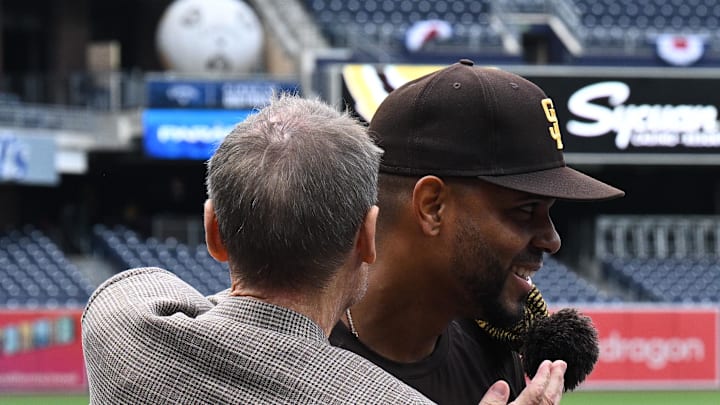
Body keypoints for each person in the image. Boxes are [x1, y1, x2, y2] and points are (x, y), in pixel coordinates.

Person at [81, 95, 567, 404]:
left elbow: (137, 293)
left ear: (214, 232)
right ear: (366, 236)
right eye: (524, 211)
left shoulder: (117, 325)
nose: (549, 238)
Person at [329, 59, 624, 404]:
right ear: (432, 206)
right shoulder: (296, 355)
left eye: (548, 211)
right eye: (526, 209)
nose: (551, 239)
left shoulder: (492, 353)